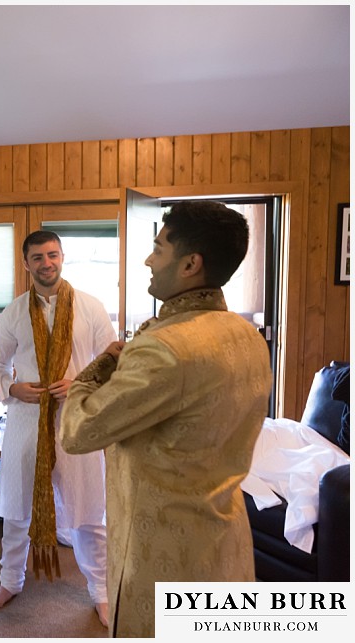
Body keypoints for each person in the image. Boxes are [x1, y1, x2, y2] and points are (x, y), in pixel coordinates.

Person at [59, 201, 272, 637]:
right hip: (225, 538)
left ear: (191, 263)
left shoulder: (165, 347)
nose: (148, 260)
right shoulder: (247, 336)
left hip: (163, 552)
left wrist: (96, 369)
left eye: (159, 248)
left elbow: (78, 431)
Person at [0, 230, 115, 627]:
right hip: (25, 420)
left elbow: (110, 362)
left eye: (52, 255)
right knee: (19, 510)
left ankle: (101, 593)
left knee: (90, 513)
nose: (46, 263)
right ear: (26, 264)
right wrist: (12, 388)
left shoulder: (91, 307)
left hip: (75, 423)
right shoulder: (14, 312)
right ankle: (10, 582)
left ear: (62, 256)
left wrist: (80, 384)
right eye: (37, 257)